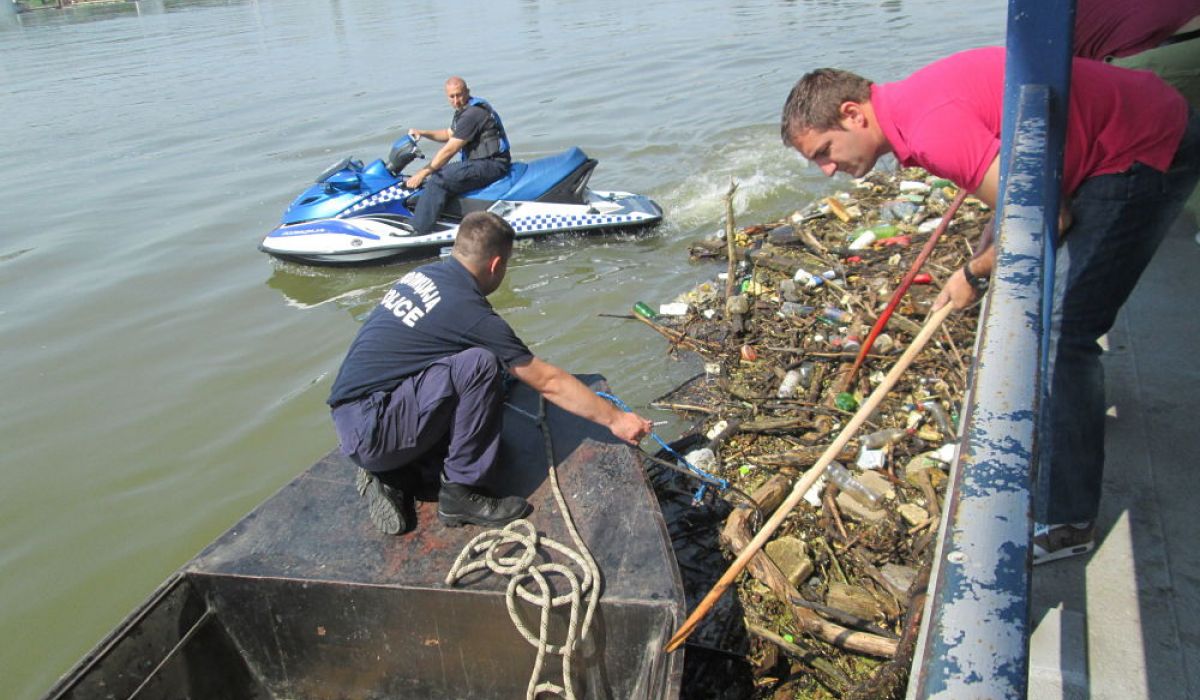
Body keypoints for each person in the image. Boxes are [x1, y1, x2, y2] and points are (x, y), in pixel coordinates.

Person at [779, 47, 1200, 563]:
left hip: (1146, 146)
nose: (826, 170)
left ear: (851, 113)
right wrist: (978, 260)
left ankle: (1066, 521)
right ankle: (1067, 425)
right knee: (1049, 315)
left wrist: (971, 273)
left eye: (824, 150)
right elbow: (1014, 193)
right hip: (1129, 128)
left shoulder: (933, 130)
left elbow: (1050, 219)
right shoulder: (914, 103)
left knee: (1062, 336)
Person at [327, 211, 654, 535]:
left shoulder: (427, 275)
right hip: (374, 432)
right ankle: (460, 494)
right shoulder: (470, 311)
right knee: (481, 364)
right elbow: (548, 381)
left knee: (486, 366)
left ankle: (395, 473)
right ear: (497, 264)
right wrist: (616, 420)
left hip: (356, 415)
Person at [404, 77, 511, 236]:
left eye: (459, 95)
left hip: (493, 164)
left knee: (440, 178)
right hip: (483, 163)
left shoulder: (473, 114)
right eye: (451, 96)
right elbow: (449, 134)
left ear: (467, 92)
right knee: (441, 175)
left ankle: (418, 231)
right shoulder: (465, 111)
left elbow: (450, 150)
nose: (456, 100)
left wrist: (422, 172)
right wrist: (423, 133)